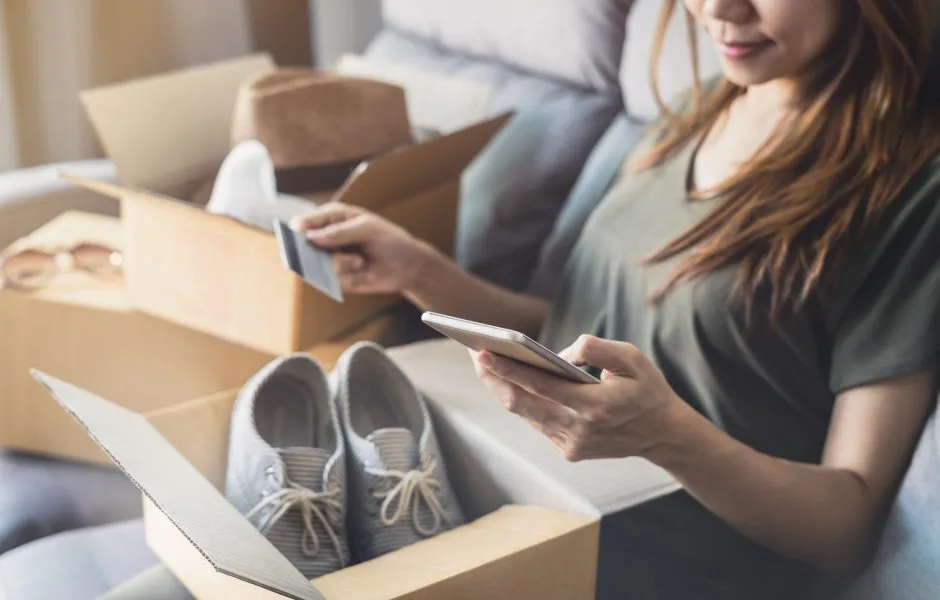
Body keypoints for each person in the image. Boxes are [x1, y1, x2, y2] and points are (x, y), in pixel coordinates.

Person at [293, 0, 940, 597]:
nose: (717, 10)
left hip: (661, 567)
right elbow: (587, 337)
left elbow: (847, 527)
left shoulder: (912, 189)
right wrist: (418, 269)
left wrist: (668, 438)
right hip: (520, 499)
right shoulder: (699, 109)